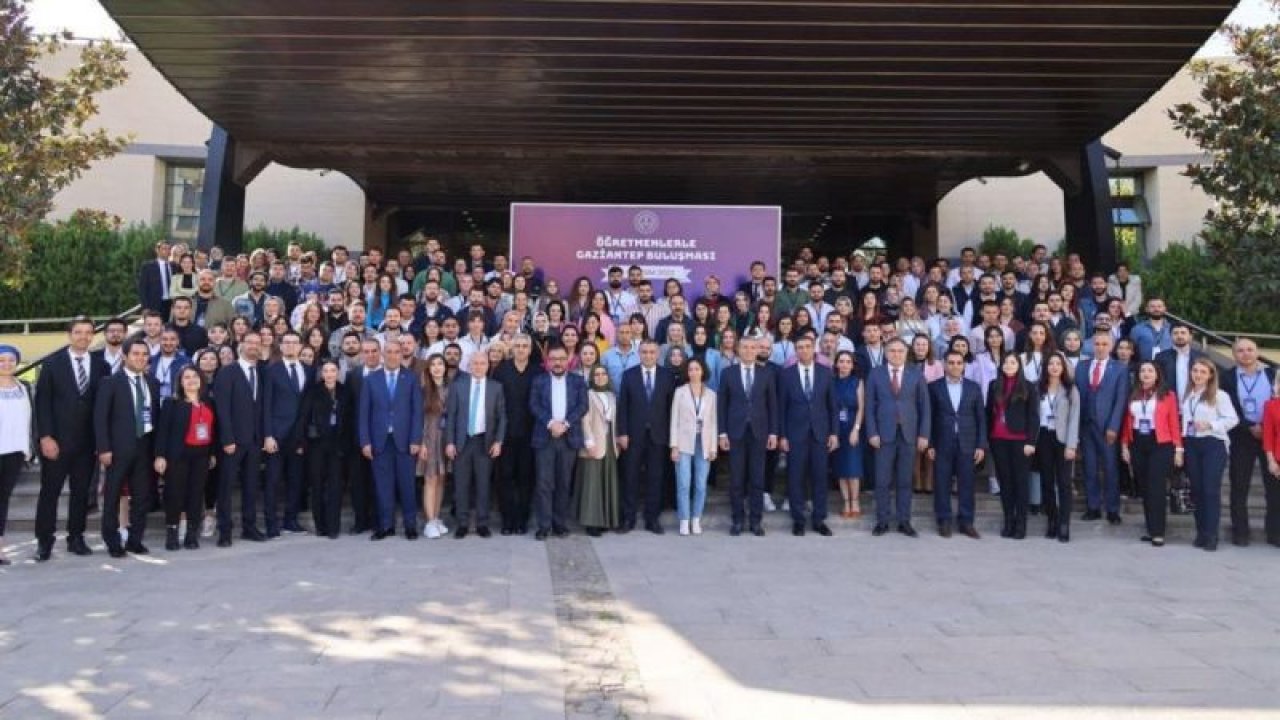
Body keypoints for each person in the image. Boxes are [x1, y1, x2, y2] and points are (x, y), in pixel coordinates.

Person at [34, 317, 107, 561]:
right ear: (69, 335)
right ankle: (44, 541)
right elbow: (42, 404)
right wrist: (45, 436)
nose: (84, 337)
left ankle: (76, 537)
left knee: (81, 493)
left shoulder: (101, 366)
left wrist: (101, 442)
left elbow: (103, 407)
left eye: (88, 332)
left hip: (87, 445)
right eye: (79, 332)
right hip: (56, 441)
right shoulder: (52, 364)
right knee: (50, 493)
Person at [94, 338, 161, 557]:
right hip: (117, 448)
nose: (141, 358)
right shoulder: (110, 383)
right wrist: (103, 448)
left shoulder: (152, 382)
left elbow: (155, 416)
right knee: (112, 496)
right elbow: (100, 418)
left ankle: (135, 540)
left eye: (144, 354)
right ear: (124, 356)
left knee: (142, 497)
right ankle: (112, 541)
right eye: (136, 354)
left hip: (144, 447)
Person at [866, 338, 931, 537]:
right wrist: (872, 432)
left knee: (905, 481)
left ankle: (904, 521)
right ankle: (882, 521)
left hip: (909, 434)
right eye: (892, 351)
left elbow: (925, 407)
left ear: (906, 352)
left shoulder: (916, 374)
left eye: (900, 351)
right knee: (882, 480)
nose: (896, 354)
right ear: (886, 353)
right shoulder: (875, 373)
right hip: (883, 435)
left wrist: (924, 434)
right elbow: (869, 406)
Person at [361, 341, 425, 540]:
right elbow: (364, 413)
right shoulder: (371, 379)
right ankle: (385, 525)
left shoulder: (411, 378)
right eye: (388, 352)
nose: (392, 355)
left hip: (405, 441)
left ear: (401, 354)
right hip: (380, 441)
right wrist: (365, 441)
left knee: (407, 485)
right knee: (383, 485)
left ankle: (410, 525)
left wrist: (416, 438)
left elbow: (417, 412)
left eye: (396, 352)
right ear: (382, 354)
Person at [1219, 338, 1278, 547]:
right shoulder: (1226, 377)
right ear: (1234, 355)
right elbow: (1227, 406)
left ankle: (1275, 532)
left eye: (1250, 350)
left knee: (1275, 487)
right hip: (1241, 436)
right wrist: (1248, 426)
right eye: (1241, 351)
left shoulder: (1273, 374)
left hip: (1271, 437)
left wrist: (1265, 427)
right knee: (1239, 486)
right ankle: (1240, 533)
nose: (1246, 354)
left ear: (1257, 351)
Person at [778, 334, 839, 537]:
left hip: (820, 433)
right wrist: (783, 436)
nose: (803, 350)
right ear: (796, 351)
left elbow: (832, 406)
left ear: (814, 349)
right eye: (800, 347)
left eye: (807, 346)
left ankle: (819, 519)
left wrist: (834, 433)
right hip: (795, 434)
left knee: (820, 477)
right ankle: (798, 519)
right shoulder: (786, 375)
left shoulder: (825, 372)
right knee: (795, 477)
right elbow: (782, 408)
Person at [717, 334, 777, 536]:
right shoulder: (727, 373)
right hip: (735, 433)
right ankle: (737, 520)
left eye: (753, 348)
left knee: (757, 479)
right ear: (738, 350)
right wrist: (722, 433)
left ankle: (756, 521)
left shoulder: (766, 373)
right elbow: (722, 405)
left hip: (759, 433)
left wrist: (773, 433)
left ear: (758, 350)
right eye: (745, 347)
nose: (749, 351)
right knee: (736, 479)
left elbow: (772, 406)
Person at [1120, 361, 1183, 548]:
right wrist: (1124, 445)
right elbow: (1127, 422)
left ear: (1157, 374)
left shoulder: (1168, 396)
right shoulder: (1134, 395)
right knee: (1145, 488)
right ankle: (1150, 528)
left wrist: (1178, 449)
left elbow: (1174, 424)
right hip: (1138, 442)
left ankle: (1158, 532)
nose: (1146, 374)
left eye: (1150, 371)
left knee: (1156, 487)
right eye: (1142, 371)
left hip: (1161, 443)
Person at [443, 350, 504, 539]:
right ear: (469, 366)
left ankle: (482, 523)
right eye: (475, 363)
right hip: (462, 442)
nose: (478, 367)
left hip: (484, 441)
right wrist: (450, 442)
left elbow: (502, 417)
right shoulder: (458, 386)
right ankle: (462, 523)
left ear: (488, 366)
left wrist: (499, 441)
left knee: (483, 484)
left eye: (482, 363)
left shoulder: (496, 387)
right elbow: (451, 416)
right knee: (461, 484)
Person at [213, 332, 266, 547]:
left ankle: (249, 526)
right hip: (232, 441)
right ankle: (224, 531)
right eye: (249, 342)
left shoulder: (262, 372)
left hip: (254, 441)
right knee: (225, 487)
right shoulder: (227, 372)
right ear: (240, 345)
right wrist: (227, 438)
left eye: (257, 343)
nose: (253, 346)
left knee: (251, 486)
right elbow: (222, 409)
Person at [153, 366, 215, 551]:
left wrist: (211, 453)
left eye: (195, 376)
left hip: (201, 455)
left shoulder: (209, 402)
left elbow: (213, 431)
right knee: (175, 494)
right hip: (178, 455)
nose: (191, 380)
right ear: (180, 382)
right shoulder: (171, 403)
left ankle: (191, 534)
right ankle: (172, 532)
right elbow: (163, 431)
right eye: (186, 377)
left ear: (201, 380)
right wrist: (160, 455)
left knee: (196, 495)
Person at [927, 350, 987, 539]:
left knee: (967, 484)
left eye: (958, 363)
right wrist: (929, 443)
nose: (955, 366)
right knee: (942, 483)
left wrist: (980, 445)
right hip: (942, 441)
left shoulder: (974, 388)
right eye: (951, 362)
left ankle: (966, 522)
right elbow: (929, 417)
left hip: (967, 443)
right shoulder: (934, 387)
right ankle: (944, 520)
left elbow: (980, 419)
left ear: (963, 365)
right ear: (944, 365)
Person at [617, 340, 675, 534]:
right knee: (630, 477)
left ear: (657, 354)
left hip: (659, 436)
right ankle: (628, 517)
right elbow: (622, 406)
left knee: (655, 477)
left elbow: (671, 409)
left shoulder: (667, 376)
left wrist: (671, 437)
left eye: (652, 352)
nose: (648, 355)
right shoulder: (629, 375)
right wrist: (623, 433)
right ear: (639, 354)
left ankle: (652, 519)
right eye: (644, 352)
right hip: (633, 436)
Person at [530, 344, 588, 539]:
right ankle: (544, 526)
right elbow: (534, 405)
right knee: (544, 483)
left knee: (564, 483)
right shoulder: (539, 381)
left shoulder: (578, 381)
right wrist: (550, 423)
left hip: (568, 437)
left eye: (562, 359)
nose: (558, 362)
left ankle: (560, 523)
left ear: (568, 361)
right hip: (544, 438)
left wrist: (565, 424)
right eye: (553, 359)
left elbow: (582, 406)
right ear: (548, 361)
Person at [1182, 358, 1240, 551]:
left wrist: (1211, 425)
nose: (1198, 375)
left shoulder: (1219, 395)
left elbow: (1232, 419)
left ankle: (1211, 534)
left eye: (1202, 372)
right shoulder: (1188, 395)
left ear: (1210, 375)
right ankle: (1201, 532)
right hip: (1191, 443)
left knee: (1210, 489)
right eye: (1195, 371)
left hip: (1213, 443)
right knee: (1197, 490)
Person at [1075, 332, 1129, 525]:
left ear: (1111, 346)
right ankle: (1093, 507)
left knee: (1110, 469)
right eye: (1097, 344)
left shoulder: (1120, 369)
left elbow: (1121, 400)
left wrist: (1114, 426)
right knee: (1089, 468)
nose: (1100, 347)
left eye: (1104, 344)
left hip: (1107, 427)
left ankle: (1113, 509)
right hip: (1086, 425)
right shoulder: (1081, 367)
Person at [986, 353, 1040, 539]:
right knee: (1005, 482)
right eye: (1006, 362)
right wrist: (987, 438)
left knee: (1020, 483)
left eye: (1012, 362)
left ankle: (1021, 523)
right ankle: (1008, 520)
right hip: (998, 439)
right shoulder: (994, 385)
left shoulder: (1029, 387)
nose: (1008, 365)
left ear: (1019, 365)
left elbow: (1034, 416)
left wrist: (1031, 441)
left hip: (1020, 441)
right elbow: (988, 413)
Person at [263, 330, 311, 535]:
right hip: (276, 435)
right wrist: (268, 435)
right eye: (287, 343)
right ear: (281, 346)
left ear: (301, 346)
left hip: (299, 436)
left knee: (295, 481)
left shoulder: (309, 370)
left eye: (295, 342)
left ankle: (290, 520)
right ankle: (271, 524)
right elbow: (265, 405)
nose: (291, 346)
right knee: (273, 481)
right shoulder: (271, 370)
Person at [298, 359, 350, 540]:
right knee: (318, 486)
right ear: (322, 374)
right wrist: (301, 442)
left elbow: (350, 418)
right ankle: (321, 525)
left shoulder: (344, 391)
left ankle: (333, 527)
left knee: (335, 487)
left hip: (337, 446)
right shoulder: (313, 391)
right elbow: (303, 417)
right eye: (326, 371)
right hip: (316, 445)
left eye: (332, 370)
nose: (329, 374)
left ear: (338, 373)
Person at [669, 357, 718, 536]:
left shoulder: (712, 394)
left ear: (703, 371)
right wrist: (673, 446)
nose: (694, 372)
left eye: (697, 369)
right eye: (690, 369)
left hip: (703, 443)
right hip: (683, 441)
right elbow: (674, 420)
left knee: (700, 484)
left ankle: (696, 518)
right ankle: (684, 520)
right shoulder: (680, 392)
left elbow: (713, 422)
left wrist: (713, 447)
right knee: (683, 482)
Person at [1037, 353, 1080, 542]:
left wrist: (1071, 445)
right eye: (1051, 363)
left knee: (1063, 482)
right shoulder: (1038, 389)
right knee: (1046, 481)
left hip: (1062, 439)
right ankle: (1052, 520)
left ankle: (1064, 523)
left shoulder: (1070, 390)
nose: (1054, 367)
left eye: (1058, 364)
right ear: (1046, 367)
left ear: (1063, 368)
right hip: (1043, 437)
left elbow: (1074, 419)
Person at [576, 364, 620, 536]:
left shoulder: (611, 396)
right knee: (592, 483)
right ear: (592, 378)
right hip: (594, 442)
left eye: (603, 374)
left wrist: (616, 441)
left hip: (609, 443)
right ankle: (591, 522)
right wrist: (589, 441)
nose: (600, 377)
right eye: (597, 374)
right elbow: (584, 420)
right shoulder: (588, 395)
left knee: (607, 480)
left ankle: (606, 519)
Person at [0, 345, 34, 565]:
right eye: (1, 360)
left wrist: (28, 449)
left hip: (14, 452)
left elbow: (29, 419)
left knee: (2, 500)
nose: (6, 364)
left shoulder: (25, 387)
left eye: (11, 360)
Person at [417, 354, 451, 539]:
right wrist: (421, 442)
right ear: (428, 369)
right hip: (429, 438)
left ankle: (436, 517)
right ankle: (429, 521)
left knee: (441, 479)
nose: (437, 367)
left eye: (440, 364)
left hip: (446, 438)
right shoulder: (423, 390)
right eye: (433, 365)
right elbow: (419, 419)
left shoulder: (451, 388)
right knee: (430, 479)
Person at [831, 351, 865, 519]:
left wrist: (856, 429)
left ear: (852, 365)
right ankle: (846, 502)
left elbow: (861, 407)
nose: (844, 364)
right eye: (841, 361)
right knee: (841, 469)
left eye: (848, 362)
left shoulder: (857, 382)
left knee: (852, 468)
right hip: (836, 428)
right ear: (836, 364)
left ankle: (855, 502)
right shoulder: (831, 382)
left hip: (852, 427)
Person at [138, 241, 174, 316]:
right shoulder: (148, 267)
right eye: (164, 248)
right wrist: (145, 307)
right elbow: (142, 288)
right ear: (157, 250)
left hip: (171, 304)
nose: (167, 251)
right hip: (154, 305)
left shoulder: (174, 266)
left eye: (168, 249)